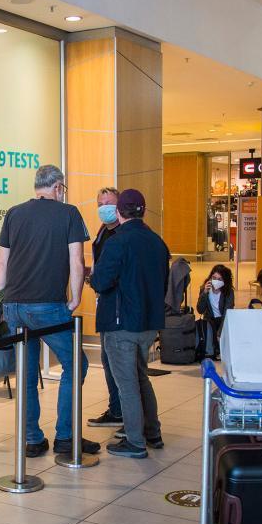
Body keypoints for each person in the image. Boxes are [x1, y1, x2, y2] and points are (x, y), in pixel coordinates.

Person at [0, 164, 95, 458]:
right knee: (76, 364)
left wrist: (0, 304)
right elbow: (77, 260)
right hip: (47, 305)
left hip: (14, 304)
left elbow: (1, 264)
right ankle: (65, 437)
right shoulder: (69, 213)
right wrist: (75, 297)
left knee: (26, 373)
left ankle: (33, 439)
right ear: (58, 187)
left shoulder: (13, 213)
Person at [89, 189, 168, 458]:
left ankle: (135, 442)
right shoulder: (157, 242)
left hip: (121, 324)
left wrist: (92, 278)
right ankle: (152, 432)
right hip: (148, 323)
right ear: (143, 211)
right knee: (141, 377)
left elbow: (101, 281)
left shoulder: (117, 242)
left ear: (119, 212)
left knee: (127, 384)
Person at [88, 188, 123, 429]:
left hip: (118, 306)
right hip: (104, 300)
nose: (104, 207)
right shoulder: (103, 231)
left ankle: (123, 413)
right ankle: (116, 409)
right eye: (100, 203)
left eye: (109, 203)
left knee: (116, 360)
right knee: (107, 358)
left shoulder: (123, 234)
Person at [196, 264, 234, 361]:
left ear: (225, 281)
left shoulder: (228, 292)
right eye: (214, 278)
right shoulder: (205, 288)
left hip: (223, 320)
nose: (216, 281)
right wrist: (204, 293)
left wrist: (219, 333)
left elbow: (227, 313)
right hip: (210, 321)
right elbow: (200, 310)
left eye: (220, 279)